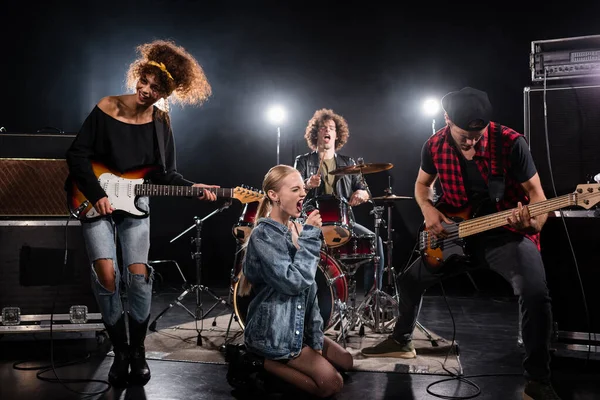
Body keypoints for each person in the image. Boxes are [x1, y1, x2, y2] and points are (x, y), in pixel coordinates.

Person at [361, 87, 561, 400]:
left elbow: (538, 197)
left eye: (478, 135)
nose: (471, 142)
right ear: (446, 119)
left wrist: (534, 220)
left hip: (505, 235)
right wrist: (429, 211)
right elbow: (421, 186)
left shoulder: (510, 143)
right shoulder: (434, 145)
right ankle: (402, 341)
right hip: (455, 234)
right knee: (409, 280)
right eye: (463, 135)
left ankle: (538, 380)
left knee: (536, 294)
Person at [65, 39, 219, 387]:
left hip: (136, 204)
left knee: (138, 276)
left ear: (165, 92)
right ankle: (119, 351)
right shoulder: (107, 106)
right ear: (139, 74)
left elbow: (166, 174)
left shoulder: (161, 122)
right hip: (94, 201)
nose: (146, 90)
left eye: (155, 87)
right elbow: (76, 155)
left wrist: (192, 187)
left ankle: (138, 350)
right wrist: (97, 194)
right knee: (106, 274)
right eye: (144, 81)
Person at [226, 164, 353, 398]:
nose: (303, 194)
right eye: (295, 189)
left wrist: (315, 338)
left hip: (295, 327)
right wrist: (312, 237)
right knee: (331, 384)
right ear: (274, 196)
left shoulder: (297, 227)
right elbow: (293, 282)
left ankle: (284, 364)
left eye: (303, 188)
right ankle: (255, 361)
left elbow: (310, 290)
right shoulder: (263, 235)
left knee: (346, 361)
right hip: (273, 332)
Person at [293, 108, 384, 293]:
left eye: (331, 128)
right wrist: (307, 184)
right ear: (315, 133)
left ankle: (371, 301)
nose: (327, 130)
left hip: (343, 223)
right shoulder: (302, 161)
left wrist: (361, 194)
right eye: (323, 127)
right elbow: (292, 191)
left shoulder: (347, 162)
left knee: (377, 243)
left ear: (337, 135)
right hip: (311, 222)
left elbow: (364, 190)